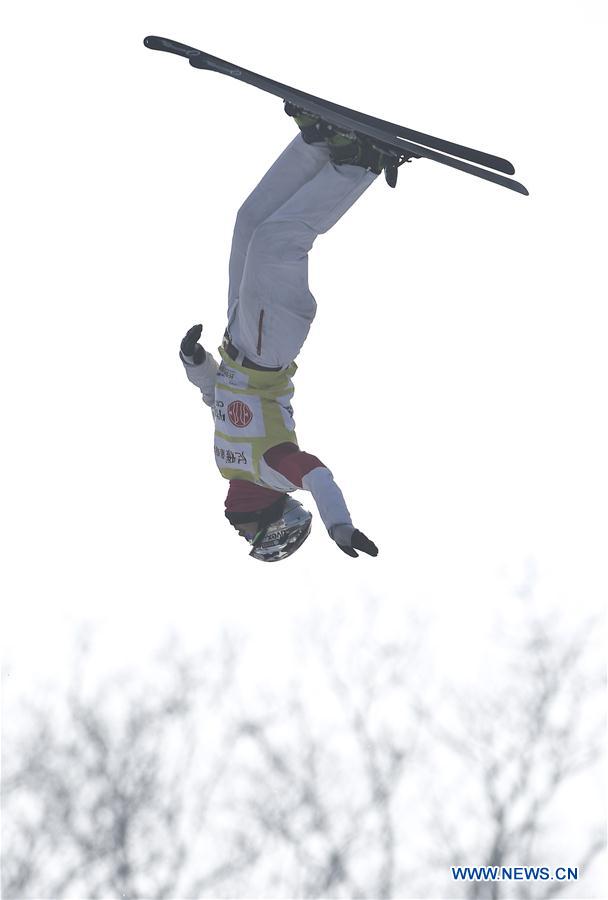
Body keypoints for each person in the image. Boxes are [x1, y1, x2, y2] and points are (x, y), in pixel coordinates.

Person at [180, 105, 396, 561]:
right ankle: (359, 164)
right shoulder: (271, 470)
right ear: (274, 518)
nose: (240, 532)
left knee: (250, 223)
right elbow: (317, 475)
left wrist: (195, 363)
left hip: (240, 337)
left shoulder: (228, 466)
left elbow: (217, 401)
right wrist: (339, 524)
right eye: (252, 535)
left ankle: (317, 146)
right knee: (277, 242)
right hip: (268, 343)